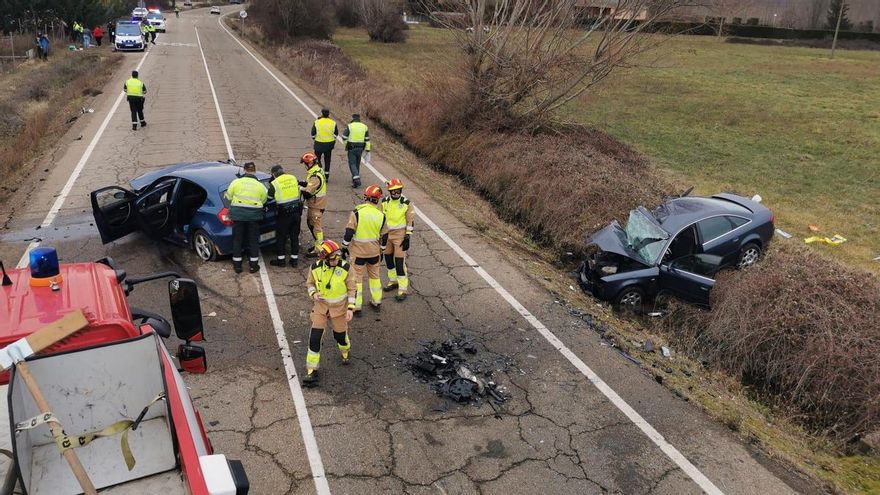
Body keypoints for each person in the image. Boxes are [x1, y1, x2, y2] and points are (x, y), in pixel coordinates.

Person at [302, 240, 356, 387]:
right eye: (332, 259)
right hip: (321, 308)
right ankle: (311, 370)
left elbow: (352, 288)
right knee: (314, 338)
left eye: (337, 257)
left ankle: (345, 350)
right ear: (324, 259)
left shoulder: (346, 268)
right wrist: (313, 294)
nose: (336, 260)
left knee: (340, 336)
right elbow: (310, 283)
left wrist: (350, 308)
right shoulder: (314, 268)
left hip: (339, 310)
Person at [342, 185, 386, 314]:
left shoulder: (357, 212)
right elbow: (385, 235)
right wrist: (382, 250)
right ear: (377, 200)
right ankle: (376, 301)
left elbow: (349, 232)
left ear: (365, 197)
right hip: (374, 252)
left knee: (357, 279)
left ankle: (356, 306)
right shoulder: (381, 215)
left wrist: (344, 246)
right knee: (375, 277)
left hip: (358, 253)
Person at [224, 162, 268, 273]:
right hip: (254, 217)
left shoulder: (236, 182)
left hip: (238, 216)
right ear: (254, 171)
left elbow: (228, 197)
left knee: (237, 240)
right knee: (253, 241)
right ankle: (253, 266)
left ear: (244, 170)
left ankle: (237, 266)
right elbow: (263, 200)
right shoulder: (260, 186)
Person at [381, 178, 415, 301]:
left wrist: (408, 236)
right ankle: (393, 281)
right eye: (393, 191)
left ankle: (402, 289)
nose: (396, 193)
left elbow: (410, 221)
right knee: (389, 260)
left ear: (401, 190)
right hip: (387, 234)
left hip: (400, 236)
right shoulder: (384, 202)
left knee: (399, 263)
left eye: (398, 191)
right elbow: (381, 219)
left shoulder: (406, 203)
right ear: (389, 192)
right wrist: (381, 234)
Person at [267, 164, 302, 267]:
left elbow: (269, 198)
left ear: (273, 174)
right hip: (296, 212)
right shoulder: (293, 178)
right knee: (294, 236)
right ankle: (294, 260)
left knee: (281, 237)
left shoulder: (274, 183)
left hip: (284, 214)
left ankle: (281, 261)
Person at [298, 152, 327, 258]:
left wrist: (299, 188)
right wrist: (301, 183)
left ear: (309, 164)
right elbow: (309, 184)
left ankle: (319, 249)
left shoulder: (315, 176)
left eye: (305, 164)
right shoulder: (317, 170)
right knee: (310, 224)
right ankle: (317, 245)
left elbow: (307, 192)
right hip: (315, 204)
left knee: (316, 227)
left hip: (316, 205)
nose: (304, 166)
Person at [341, 113, 370, 189]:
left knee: (352, 163)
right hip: (361, 148)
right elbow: (367, 139)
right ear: (359, 119)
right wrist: (367, 150)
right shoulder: (364, 127)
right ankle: (355, 179)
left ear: (353, 118)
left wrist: (346, 144)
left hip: (352, 147)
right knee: (357, 163)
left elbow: (344, 137)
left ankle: (356, 179)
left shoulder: (350, 126)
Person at [311, 108, 337, 182]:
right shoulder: (333, 122)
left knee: (317, 159)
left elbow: (313, 133)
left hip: (319, 144)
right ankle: (326, 176)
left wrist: (315, 139)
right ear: (329, 114)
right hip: (329, 145)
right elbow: (336, 134)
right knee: (327, 160)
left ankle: (319, 173)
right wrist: (332, 140)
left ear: (322, 113)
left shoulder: (317, 122)